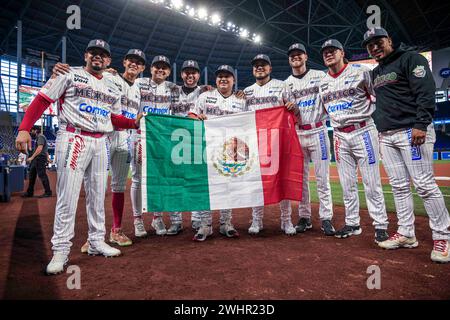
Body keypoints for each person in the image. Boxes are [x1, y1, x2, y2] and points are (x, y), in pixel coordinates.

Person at [15, 39, 142, 275]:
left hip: (100, 140)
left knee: (97, 194)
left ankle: (96, 241)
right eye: (93, 52)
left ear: (108, 61)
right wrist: (24, 128)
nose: (98, 57)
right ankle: (61, 250)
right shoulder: (68, 74)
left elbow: (113, 119)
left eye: (102, 54)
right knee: (68, 195)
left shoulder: (113, 85)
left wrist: (132, 123)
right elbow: (43, 99)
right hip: (74, 137)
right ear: (85, 55)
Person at [362, 27, 450, 263]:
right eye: (370, 45)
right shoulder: (375, 72)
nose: (374, 47)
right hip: (387, 135)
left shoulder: (411, 59)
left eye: (378, 41)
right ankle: (407, 233)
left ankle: (443, 236)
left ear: (389, 40)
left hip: (412, 130)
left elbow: (426, 91)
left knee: (424, 185)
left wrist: (421, 123)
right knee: (399, 186)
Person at [51, 48, 146, 249]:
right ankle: (90, 238)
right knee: (94, 187)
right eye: (131, 60)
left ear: (142, 67)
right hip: (103, 135)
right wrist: (58, 69)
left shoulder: (138, 88)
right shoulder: (110, 78)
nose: (134, 64)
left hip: (124, 138)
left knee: (118, 186)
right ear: (124, 62)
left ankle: (115, 231)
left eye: (138, 62)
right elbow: (92, 80)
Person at [318, 39, 389, 243]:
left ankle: (381, 225)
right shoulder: (322, 82)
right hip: (339, 134)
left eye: (332, 51)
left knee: (371, 182)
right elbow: (323, 109)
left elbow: (378, 96)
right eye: (325, 52)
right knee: (347, 183)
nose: (328, 54)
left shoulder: (362, 71)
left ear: (342, 52)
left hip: (363, 130)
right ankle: (352, 223)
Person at [188, 65, 247, 241]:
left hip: (230, 149)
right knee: (206, 187)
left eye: (227, 76)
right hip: (208, 146)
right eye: (220, 76)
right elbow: (191, 114)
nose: (223, 79)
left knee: (227, 186)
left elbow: (247, 123)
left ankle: (226, 223)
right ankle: (205, 225)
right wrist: (198, 118)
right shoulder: (205, 96)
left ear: (233, 80)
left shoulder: (241, 100)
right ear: (216, 80)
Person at [284, 43, 335, 236]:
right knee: (302, 179)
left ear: (305, 57)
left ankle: (326, 217)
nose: (296, 57)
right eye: (292, 55)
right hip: (298, 133)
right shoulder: (286, 83)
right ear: (289, 59)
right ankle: (304, 217)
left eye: (299, 54)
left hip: (318, 131)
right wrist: (293, 109)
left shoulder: (319, 76)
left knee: (323, 178)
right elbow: (288, 111)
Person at [243, 54, 297, 236]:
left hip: (278, 139)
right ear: (253, 69)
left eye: (263, 65)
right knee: (256, 182)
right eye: (256, 65)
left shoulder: (282, 86)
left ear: (270, 68)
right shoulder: (246, 92)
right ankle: (257, 220)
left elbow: (294, 109)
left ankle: (286, 220)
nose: (259, 68)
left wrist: (292, 106)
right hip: (255, 141)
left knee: (282, 179)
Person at [131, 55, 180, 237]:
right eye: (157, 67)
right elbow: (122, 82)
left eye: (164, 68)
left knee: (158, 178)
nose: (160, 70)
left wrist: (206, 88)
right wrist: (110, 72)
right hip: (139, 136)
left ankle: (157, 217)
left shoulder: (172, 88)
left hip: (160, 139)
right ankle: (137, 219)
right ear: (150, 69)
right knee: (137, 178)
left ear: (168, 71)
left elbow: (192, 91)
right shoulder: (139, 83)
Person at [170, 60, 213, 233]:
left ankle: (196, 218)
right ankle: (175, 220)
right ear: (182, 74)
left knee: (196, 181)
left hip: (196, 141)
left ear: (198, 75)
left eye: (193, 72)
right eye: (187, 72)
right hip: (174, 141)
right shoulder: (172, 91)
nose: (190, 75)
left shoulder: (205, 93)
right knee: (175, 182)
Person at [21, 126, 52, 198]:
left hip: (39, 158)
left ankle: (48, 192)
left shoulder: (40, 137)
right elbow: (45, 149)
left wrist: (32, 157)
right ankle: (30, 192)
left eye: (31, 131)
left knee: (42, 175)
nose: (31, 132)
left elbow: (40, 148)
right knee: (32, 175)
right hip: (37, 159)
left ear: (35, 130)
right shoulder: (39, 138)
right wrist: (48, 157)